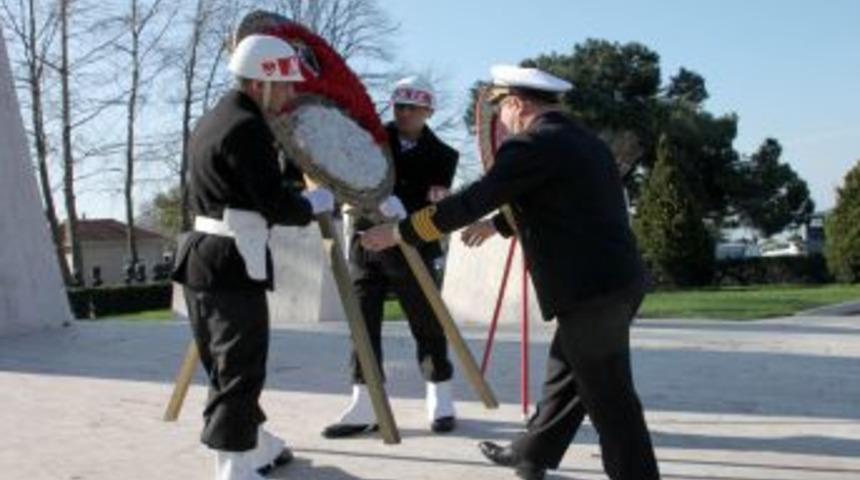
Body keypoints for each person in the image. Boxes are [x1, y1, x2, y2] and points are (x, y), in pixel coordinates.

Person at [360, 65, 660, 480]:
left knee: (610, 398)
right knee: (565, 378)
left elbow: (471, 200)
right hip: (615, 282)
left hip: (590, 291)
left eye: (500, 107)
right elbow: (559, 202)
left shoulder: (531, 144)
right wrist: (497, 225)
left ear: (517, 104)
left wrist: (400, 232)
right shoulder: (583, 141)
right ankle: (530, 454)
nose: (498, 118)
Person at [171, 34, 335, 480]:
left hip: (204, 256)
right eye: (284, 86)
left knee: (225, 363)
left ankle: (259, 445)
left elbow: (244, 186)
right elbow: (272, 202)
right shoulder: (248, 127)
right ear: (260, 83)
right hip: (230, 258)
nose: (290, 94)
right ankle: (233, 467)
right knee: (241, 368)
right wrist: (312, 204)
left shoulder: (217, 118)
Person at [322, 76, 461, 438]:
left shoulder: (444, 155)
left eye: (413, 108)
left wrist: (422, 204)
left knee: (426, 323)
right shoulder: (370, 139)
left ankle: (439, 392)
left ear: (429, 110)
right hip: (367, 245)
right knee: (362, 324)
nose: (404, 113)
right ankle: (364, 399)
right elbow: (348, 177)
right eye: (399, 106)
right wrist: (367, 202)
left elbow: (435, 201)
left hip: (412, 246)